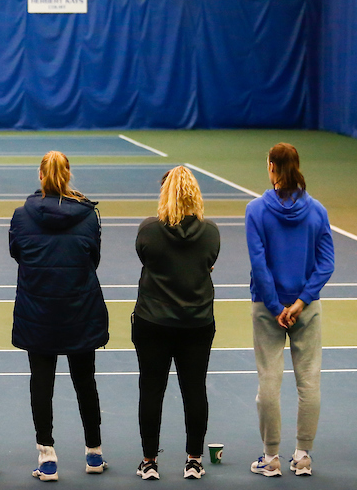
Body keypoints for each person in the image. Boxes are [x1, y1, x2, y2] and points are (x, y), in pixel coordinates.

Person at [9, 150, 109, 481]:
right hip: (80, 310)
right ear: (67, 176)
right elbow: (93, 257)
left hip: (38, 311)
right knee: (85, 381)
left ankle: (47, 457)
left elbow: (18, 253)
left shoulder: (21, 215)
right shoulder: (88, 215)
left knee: (41, 382)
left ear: (41, 176)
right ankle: (94, 453)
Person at [245, 143, 335, 478]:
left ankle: (270, 458)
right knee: (308, 381)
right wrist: (301, 302)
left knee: (269, 380)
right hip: (306, 309)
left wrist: (275, 306)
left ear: (271, 166)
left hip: (267, 309)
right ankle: (303, 456)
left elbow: (259, 265)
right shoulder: (317, 211)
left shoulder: (255, 210)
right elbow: (326, 264)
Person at [132, 166, 220, 481]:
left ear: (165, 194)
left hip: (152, 322)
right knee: (194, 389)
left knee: (151, 389)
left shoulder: (148, 229)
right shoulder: (210, 232)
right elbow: (208, 263)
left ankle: (149, 461)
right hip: (197, 323)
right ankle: (194, 460)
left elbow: (146, 258)